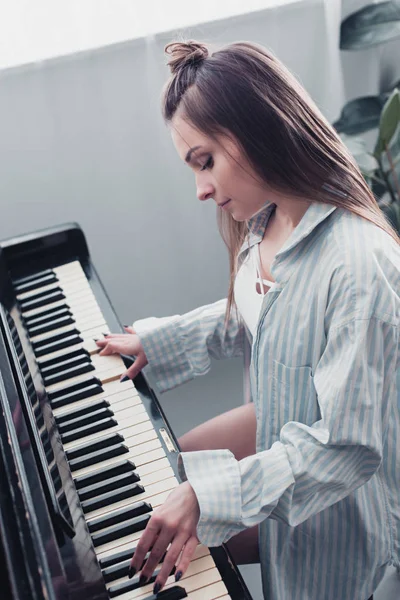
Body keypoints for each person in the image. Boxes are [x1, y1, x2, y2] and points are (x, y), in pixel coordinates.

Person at [95, 40, 400, 600]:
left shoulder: (359, 266)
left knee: (173, 524)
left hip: (340, 490)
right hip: (284, 420)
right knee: (159, 486)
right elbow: (258, 311)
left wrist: (213, 494)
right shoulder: (269, 220)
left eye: (205, 162)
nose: (201, 190)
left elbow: (346, 448)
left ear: (258, 129)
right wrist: (161, 340)